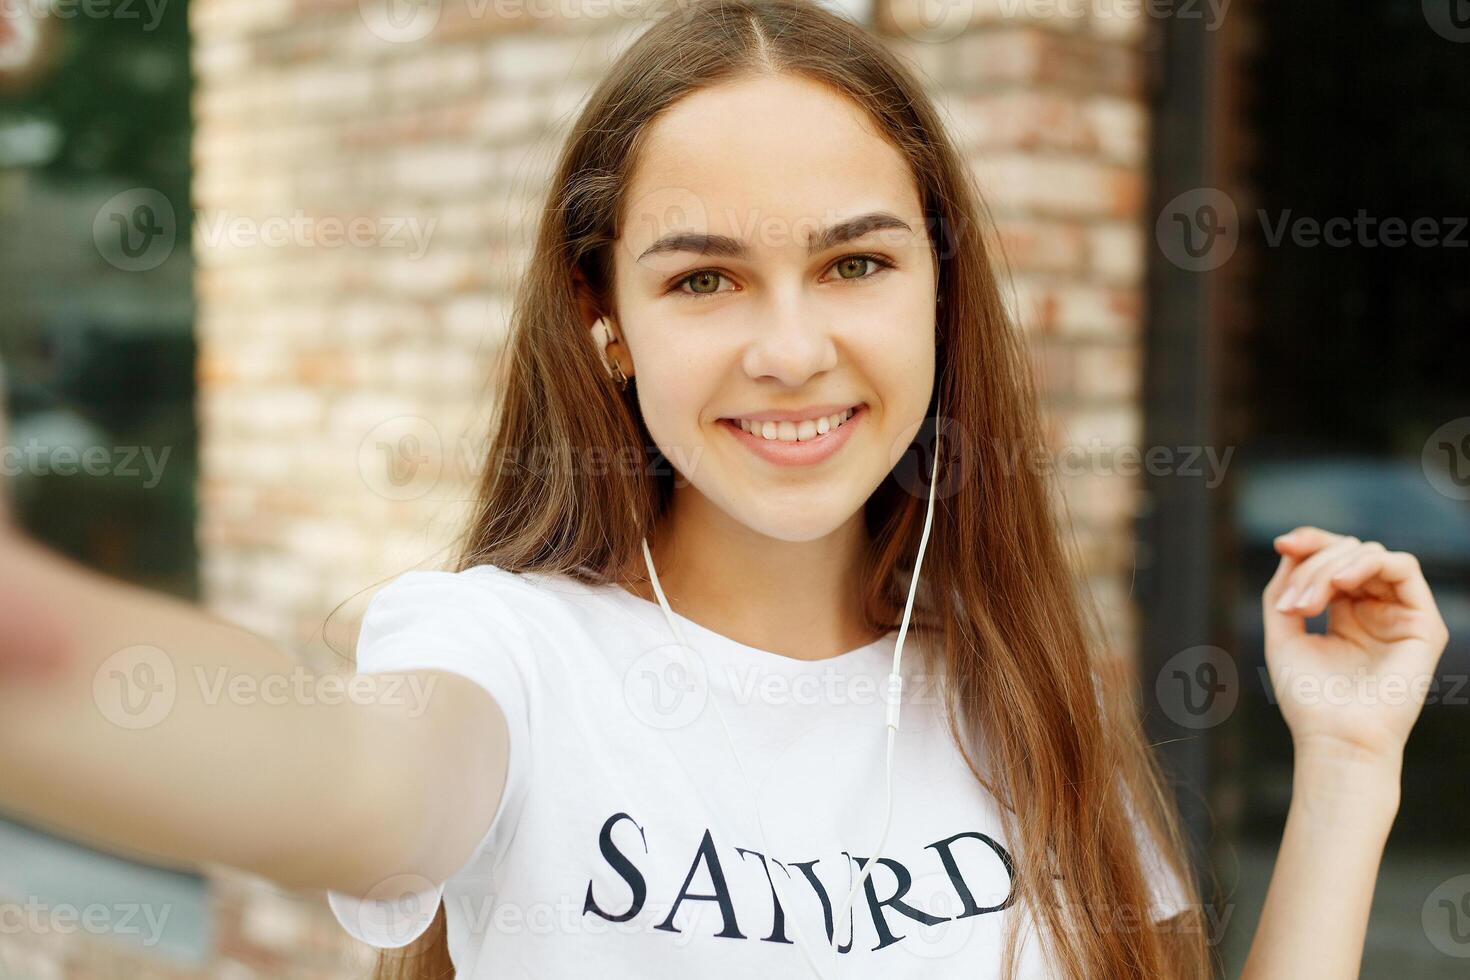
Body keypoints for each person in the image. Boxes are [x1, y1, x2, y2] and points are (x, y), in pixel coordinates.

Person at [0, 1, 1449, 978]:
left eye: (856, 262)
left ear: (939, 289)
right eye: (704, 276)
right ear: (604, 316)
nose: (790, 347)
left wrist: (1344, 768)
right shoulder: (502, 657)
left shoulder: (1022, 700)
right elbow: (344, 778)